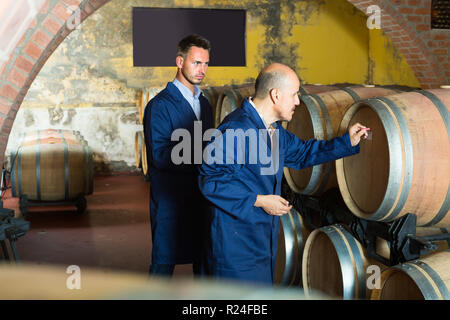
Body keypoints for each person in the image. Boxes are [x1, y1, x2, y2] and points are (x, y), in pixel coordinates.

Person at [197, 63, 370, 285]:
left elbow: (303, 153)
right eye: (294, 94)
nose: (298, 101)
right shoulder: (237, 130)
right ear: (275, 95)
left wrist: (348, 142)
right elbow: (210, 181)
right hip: (234, 245)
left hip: (260, 239)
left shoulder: (273, 130)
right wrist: (259, 200)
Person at [143, 34, 214, 276]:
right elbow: (160, 155)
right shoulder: (159, 106)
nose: (202, 69)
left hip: (200, 196)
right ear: (179, 62)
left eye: (205, 63)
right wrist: (203, 158)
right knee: (163, 265)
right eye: (196, 62)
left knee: (203, 263)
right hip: (170, 200)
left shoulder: (204, 104)